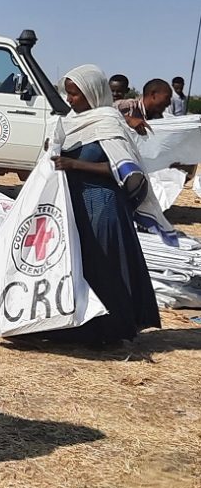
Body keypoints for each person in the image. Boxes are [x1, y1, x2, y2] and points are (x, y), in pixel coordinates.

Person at [35, 65, 173, 344]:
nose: (70, 99)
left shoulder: (109, 122)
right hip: (76, 205)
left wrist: (75, 163)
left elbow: (124, 170)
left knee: (104, 269)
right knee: (79, 264)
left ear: (92, 93)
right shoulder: (71, 121)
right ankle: (74, 326)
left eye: (76, 94)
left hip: (102, 204)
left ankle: (107, 331)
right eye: (69, 94)